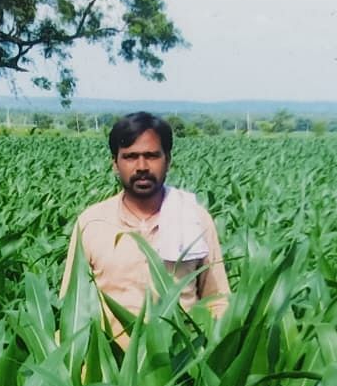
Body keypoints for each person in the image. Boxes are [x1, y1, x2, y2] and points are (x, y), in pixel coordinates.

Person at [61, 111, 230, 343]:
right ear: (115, 163)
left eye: (151, 156)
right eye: (130, 157)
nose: (141, 166)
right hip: (110, 363)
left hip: (179, 362)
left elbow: (217, 300)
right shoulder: (91, 223)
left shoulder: (194, 219)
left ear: (168, 160)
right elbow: (72, 302)